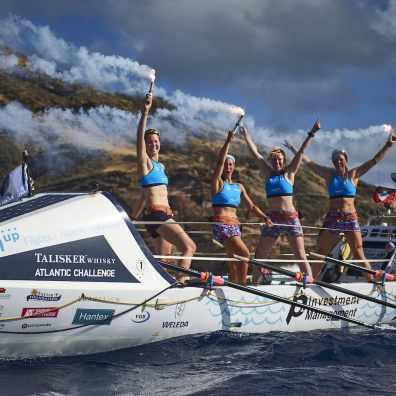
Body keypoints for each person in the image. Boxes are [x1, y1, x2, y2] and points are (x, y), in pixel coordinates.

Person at [285, 133, 395, 281]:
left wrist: (388, 145)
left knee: (358, 251)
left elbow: (374, 161)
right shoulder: (329, 175)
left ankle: (371, 282)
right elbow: (309, 163)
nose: (338, 162)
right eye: (335, 160)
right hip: (333, 219)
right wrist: (294, 149)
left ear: (346, 160)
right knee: (322, 252)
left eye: (341, 160)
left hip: (350, 218)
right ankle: (309, 283)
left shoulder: (354, 174)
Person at [240, 120, 321, 284]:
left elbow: (301, 152)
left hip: (291, 218)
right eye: (274, 159)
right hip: (273, 220)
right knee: (260, 255)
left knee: (300, 255)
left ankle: (311, 284)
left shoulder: (290, 172)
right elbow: (255, 153)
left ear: (284, 161)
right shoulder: (268, 174)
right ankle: (253, 285)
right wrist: (246, 134)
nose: (276, 162)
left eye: (279, 159)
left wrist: (312, 132)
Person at [136, 93, 196, 283]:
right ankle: (181, 282)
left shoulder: (161, 167)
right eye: (149, 142)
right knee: (190, 247)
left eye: (156, 141)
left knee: (165, 262)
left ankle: (159, 290)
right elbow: (138, 140)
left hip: (161, 215)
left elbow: (146, 195)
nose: (153, 144)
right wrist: (145, 113)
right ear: (145, 146)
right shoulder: (145, 163)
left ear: (160, 144)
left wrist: (134, 217)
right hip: (158, 216)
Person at [211, 131, 271, 285]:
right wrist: (228, 141)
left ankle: (232, 287)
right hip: (222, 225)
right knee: (244, 253)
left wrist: (264, 218)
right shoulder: (218, 183)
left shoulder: (239, 187)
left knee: (235, 261)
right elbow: (217, 162)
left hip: (235, 227)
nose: (227, 167)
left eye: (230, 164)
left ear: (234, 166)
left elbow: (251, 206)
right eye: (225, 164)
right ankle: (243, 286)